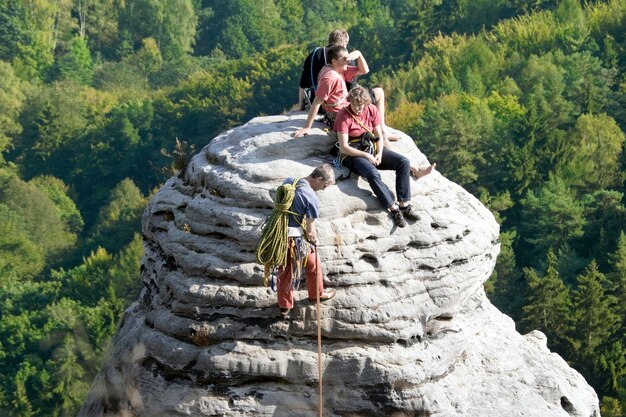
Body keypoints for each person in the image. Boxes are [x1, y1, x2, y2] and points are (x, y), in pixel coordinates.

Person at [334, 86, 434, 228]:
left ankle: (404, 205)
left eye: (360, 105)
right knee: (372, 173)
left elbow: (379, 135)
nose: (357, 108)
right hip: (353, 153)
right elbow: (344, 146)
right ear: (350, 102)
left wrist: (380, 153)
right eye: (355, 105)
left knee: (403, 162)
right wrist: (366, 155)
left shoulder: (371, 110)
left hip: (372, 147)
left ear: (366, 103)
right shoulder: (343, 115)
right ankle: (393, 209)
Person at [294, 44, 398, 144]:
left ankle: (383, 132)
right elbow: (317, 102)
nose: (348, 61)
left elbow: (364, 70)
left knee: (379, 92)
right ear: (334, 61)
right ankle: (382, 136)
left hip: (347, 106)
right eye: (344, 59)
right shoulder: (330, 77)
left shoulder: (338, 69)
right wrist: (307, 127)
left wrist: (359, 54)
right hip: (342, 113)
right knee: (372, 110)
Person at [276, 164, 337, 318]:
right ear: (318, 179)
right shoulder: (311, 197)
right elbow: (310, 230)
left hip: (278, 235)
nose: (324, 189)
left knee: (284, 270)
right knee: (313, 264)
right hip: (295, 239)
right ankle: (316, 294)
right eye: (325, 185)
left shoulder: (290, 181)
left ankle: (284, 306)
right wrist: (315, 240)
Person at [298, 29, 351, 110]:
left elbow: (303, 84)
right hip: (338, 106)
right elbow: (351, 87)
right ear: (344, 44)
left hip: (315, 104)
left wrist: (301, 107)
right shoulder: (346, 58)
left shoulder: (313, 54)